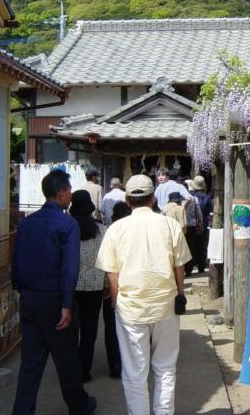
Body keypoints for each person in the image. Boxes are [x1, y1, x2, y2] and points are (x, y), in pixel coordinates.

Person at [96, 175, 191, 415]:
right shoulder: (169, 225)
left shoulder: (116, 228)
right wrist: (180, 292)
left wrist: (116, 301)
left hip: (130, 307)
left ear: (127, 200)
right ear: (152, 199)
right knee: (165, 367)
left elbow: (112, 273)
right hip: (165, 304)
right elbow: (179, 266)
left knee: (134, 372)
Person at [11, 169, 96, 415]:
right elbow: (70, 267)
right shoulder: (67, 224)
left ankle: (22, 411)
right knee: (67, 359)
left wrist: (20, 290)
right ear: (61, 194)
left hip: (30, 298)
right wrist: (67, 304)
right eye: (69, 190)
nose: (70, 194)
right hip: (55, 300)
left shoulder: (26, 223)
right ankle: (79, 406)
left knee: (31, 363)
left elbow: (16, 262)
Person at [69, 190, 105, 383]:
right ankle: (84, 371)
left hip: (70, 286)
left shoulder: (66, 229)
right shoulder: (102, 231)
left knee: (70, 329)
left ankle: (71, 368)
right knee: (89, 330)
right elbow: (108, 260)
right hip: (94, 286)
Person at [102, 201, 131, 379]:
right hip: (132, 287)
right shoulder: (134, 231)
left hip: (111, 287)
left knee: (112, 328)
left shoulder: (109, 231)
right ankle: (130, 363)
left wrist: (110, 294)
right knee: (133, 329)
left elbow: (107, 266)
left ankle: (115, 364)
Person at [190, 175, 213, 273]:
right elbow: (210, 213)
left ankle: (190, 267)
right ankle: (201, 267)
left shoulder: (190, 197)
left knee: (192, 245)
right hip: (204, 225)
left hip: (192, 225)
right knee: (202, 246)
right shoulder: (207, 198)